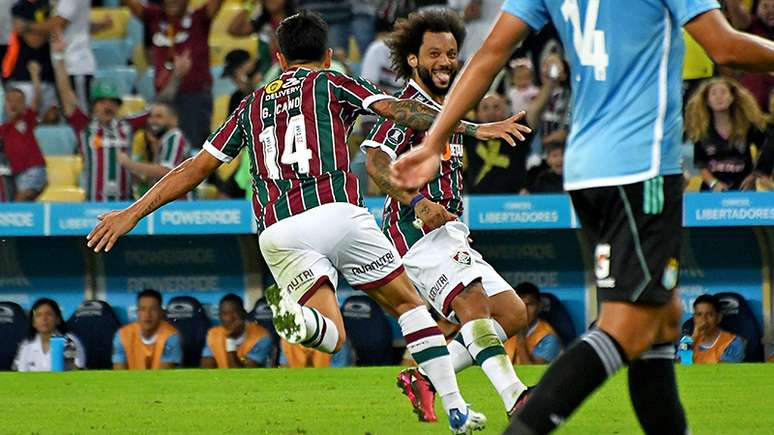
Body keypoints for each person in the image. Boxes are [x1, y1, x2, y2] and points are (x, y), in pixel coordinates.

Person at [86, 11, 528, 433]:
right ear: (329, 54)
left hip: (277, 230)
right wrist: (469, 128)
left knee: (332, 336)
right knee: (409, 307)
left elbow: (195, 169)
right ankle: (454, 408)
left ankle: (304, 322)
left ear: (278, 59)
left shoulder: (251, 104)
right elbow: (397, 110)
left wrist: (131, 213)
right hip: (336, 211)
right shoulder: (333, 80)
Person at [389, 1, 774, 433]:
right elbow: (726, 47)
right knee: (625, 327)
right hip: (641, 169)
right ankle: (522, 419)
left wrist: (434, 138)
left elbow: (490, 52)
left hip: (586, 170)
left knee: (663, 317)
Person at [362, 10, 530, 421]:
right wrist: (415, 200)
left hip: (450, 230)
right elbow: (374, 161)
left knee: (512, 313)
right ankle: (517, 399)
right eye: (433, 53)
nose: (445, 61)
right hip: (415, 231)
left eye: (451, 53)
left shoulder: (448, 110)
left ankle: (425, 378)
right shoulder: (408, 108)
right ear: (414, 60)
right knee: (473, 303)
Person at [51, 31, 148, 201]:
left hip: (124, 207)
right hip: (91, 207)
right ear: (94, 105)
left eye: (112, 102)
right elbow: (66, 94)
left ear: (118, 106)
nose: (107, 106)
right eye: (102, 101)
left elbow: (159, 109)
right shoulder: (84, 126)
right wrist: (59, 57)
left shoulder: (127, 126)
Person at [125, 0, 224, 150]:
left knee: (192, 152)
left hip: (194, 99)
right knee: (163, 150)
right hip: (164, 99)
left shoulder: (199, 18)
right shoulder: (155, 17)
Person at [685, 77, 770, 191]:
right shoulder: (701, 130)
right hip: (713, 191)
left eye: (723, 92)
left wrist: (755, 174)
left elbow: (766, 149)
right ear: (707, 100)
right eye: (713, 93)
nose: (718, 97)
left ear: (732, 97)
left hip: (744, 189)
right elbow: (701, 165)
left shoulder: (747, 126)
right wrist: (714, 184)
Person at [120, 102, 191, 199]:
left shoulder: (174, 136)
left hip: (179, 205)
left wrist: (129, 164)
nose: (153, 121)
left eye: (159, 116)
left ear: (173, 121)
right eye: (151, 116)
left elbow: (166, 171)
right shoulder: (162, 141)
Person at [0, 62, 48, 201]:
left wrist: (35, 75)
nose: (13, 104)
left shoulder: (27, 119)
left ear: (24, 105)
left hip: (34, 169)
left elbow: (37, 99)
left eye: (18, 101)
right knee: (21, 204)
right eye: (10, 101)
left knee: (20, 201)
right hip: (17, 174)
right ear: (5, 105)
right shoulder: (3, 129)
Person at [5, 0, 58, 122]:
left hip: (48, 75)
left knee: (52, 118)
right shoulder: (19, 7)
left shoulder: (49, 6)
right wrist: (51, 27)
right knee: (24, 121)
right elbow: (34, 40)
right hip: (23, 77)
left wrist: (28, 26)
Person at [465, 93, 529, 193]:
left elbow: (535, 112)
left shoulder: (516, 130)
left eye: (496, 107)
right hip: (475, 200)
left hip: (513, 201)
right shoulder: (468, 133)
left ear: (505, 111)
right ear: (476, 113)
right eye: (485, 108)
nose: (491, 112)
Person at [112, 289, 182, 370]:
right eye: (142, 309)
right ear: (137, 312)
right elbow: (119, 374)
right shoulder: (122, 335)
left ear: (161, 312)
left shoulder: (171, 336)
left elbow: (164, 376)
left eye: (153, 309)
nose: (147, 314)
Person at [201, 293, 273, 368]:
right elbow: (206, 369)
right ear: (219, 317)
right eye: (225, 314)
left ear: (244, 314)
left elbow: (244, 376)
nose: (230, 318)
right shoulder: (213, 334)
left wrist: (230, 341)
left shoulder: (262, 336)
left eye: (234, 313)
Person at [13, 298, 86, 371]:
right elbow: (21, 373)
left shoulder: (70, 341)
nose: (44, 319)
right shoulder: (26, 344)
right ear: (33, 322)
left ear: (58, 319)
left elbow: (77, 371)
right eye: (39, 315)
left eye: (49, 314)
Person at [50, 0, 96, 111]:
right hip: (65, 65)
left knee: (80, 117)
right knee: (69, 117)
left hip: (76, 66)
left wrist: (28, 26)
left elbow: (57, 26)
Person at [504, 282, 561, 365]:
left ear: (539, 306)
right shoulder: (505, 330)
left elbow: (534, 375)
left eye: (529, 305)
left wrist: (520, 341)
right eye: (519, 304)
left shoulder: (549, 338)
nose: (524, 310)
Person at [691, 294, 746, 364]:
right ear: (694, 318)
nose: (703, 319)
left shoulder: (733, 343)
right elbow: (678, 366)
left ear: (718, 318)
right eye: (699, 314)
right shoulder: (689, 341)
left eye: (709, 315)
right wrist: (694, 337)